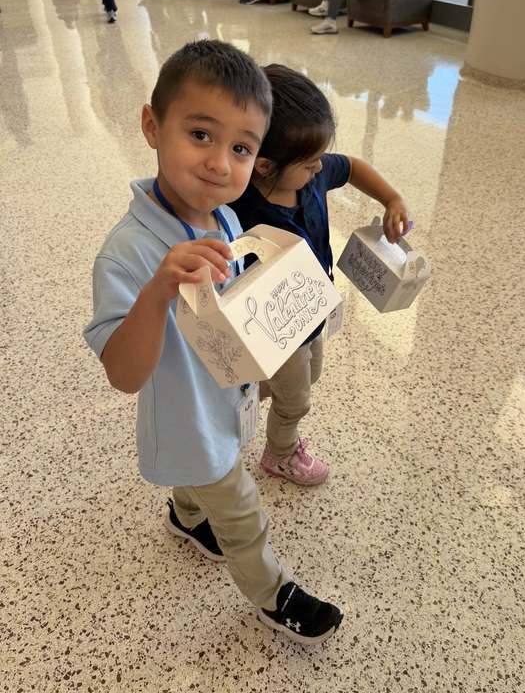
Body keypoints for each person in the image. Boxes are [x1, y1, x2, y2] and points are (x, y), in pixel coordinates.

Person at [83, 40, 344, 646]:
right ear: (152, 125)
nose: (220, 164)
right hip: (186, 413)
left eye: (241, 148)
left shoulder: (223, 217)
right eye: (200, 134)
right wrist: (157, 292)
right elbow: (123, 373)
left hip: (226, 394)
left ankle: (184, 513)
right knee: (241, 509)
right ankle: (272, 592)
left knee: (207, 476)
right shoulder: (126, 254)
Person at [230, 64, 411, 485]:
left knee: (310, 372)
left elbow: (352, 166)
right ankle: (281, 453)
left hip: (311, 310)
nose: (319, 169)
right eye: (310, 164)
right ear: (264, 165)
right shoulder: (238, 204)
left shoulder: (310, 176)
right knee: (296, 398)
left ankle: (244, 394)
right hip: (272, 325)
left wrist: (392, 197)